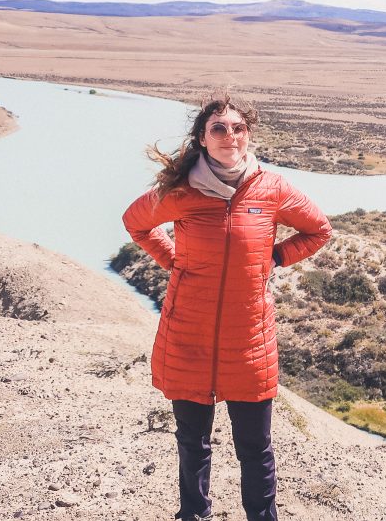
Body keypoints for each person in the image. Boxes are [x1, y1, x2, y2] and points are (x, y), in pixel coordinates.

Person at [122, 94, 332, 521]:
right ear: (202, 137)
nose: (229, 136)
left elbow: (318, 230)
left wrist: (273, 258)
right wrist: (172, 260)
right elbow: (136, 223)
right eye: (218, 128)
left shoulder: (271, 189)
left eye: (238, 128)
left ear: (248, 135)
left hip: (249, 341)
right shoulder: (179, 191)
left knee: (255, 448)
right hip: (188, 337)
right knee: (192, 442)